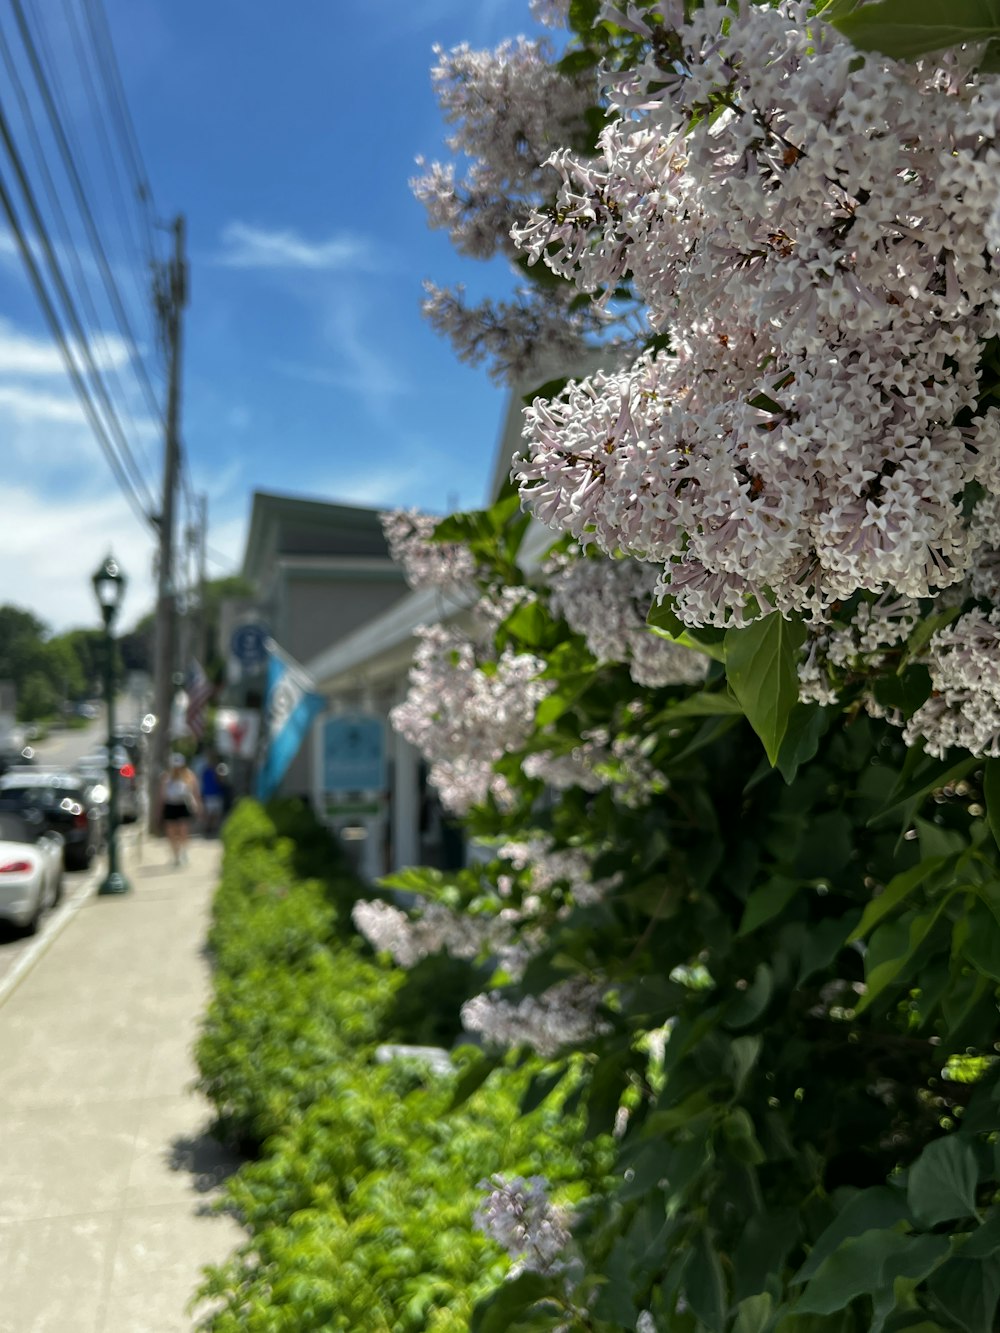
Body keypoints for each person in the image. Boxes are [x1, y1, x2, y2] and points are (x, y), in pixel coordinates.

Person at [158, 752, 201, 866]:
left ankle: (183, 851)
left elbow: (194, 792)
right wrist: (160, 810)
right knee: (171, 831)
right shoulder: (166, 777)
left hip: (183, 804)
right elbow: (163, 795)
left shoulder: (189, 776)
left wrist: (197, 805)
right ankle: (175, 855)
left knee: (183, 830)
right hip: (170, 805)